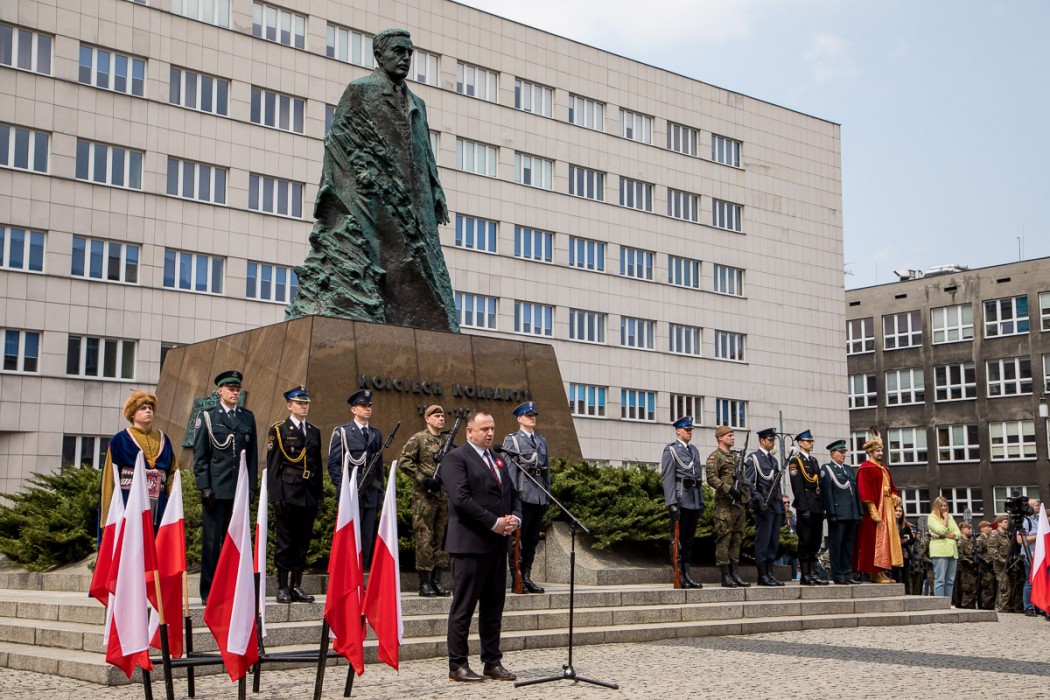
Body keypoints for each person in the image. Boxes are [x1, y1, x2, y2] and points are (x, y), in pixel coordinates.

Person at [286, 28, 457, 331]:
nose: (406, 58)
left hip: (417, 196)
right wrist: (355, 181)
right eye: (398, 51)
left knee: (427, 262)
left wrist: (436, 188)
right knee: (386, 259)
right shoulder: (360, 91)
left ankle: (428, 325)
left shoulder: (417, 102)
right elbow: (338, 141)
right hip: (376, 193)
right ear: (379, 55)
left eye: (409, 53)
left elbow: (425, 150)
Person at [441, 411, 521, 683]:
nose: (489, 433)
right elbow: (461, 499)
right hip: (469, 545)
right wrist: (493, 522)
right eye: (484, 429)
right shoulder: (456, 458)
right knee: (463, 608)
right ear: (469, 432)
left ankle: (492, 662)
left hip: (497, 546)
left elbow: (512, 494)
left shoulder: (498, 459)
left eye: (492, 428)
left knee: (493, 608)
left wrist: (515, 519)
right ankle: (458, 665)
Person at [193, 370, 258, 605]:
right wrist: (204, 487)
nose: (235, 393)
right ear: (220, 391)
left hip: (238, 490)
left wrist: (251, 487)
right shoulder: (208, 416)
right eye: (230, 389)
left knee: (235, 542)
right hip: (216, 490)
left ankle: (232, 588)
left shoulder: (247, 417)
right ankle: (209, 590)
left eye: (237, 389)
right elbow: (201, 456)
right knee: (211, 543)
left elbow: (252, 456)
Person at [266, 386, 323, 604]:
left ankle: (296, 586)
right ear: (289, 405)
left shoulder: (314, 431)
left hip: (308, 493)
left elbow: (317, 466)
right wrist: (275, 496)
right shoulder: (279, 430)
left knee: (302, 542)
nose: (304, 406)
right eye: (299, 403)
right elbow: (273, 466)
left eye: (306, 403)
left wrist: (319, 495)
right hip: (288, 492)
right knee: (285, 541)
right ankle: (282, 587)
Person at [100, 390, 179, 540]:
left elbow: (173, 472)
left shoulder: (164, 439)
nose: (148, 410)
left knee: (157, 544)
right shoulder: (119, 440)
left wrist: (174, 502)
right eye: (143, 408)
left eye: (150, 407)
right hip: (129, 501)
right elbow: (109, 479)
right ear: (132, 414)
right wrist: (107, 517)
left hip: (159, 503)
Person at [398, 404, 451, 598]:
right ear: (427, 419)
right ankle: (425, 581)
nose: (441, 418)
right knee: (424, 537)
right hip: (424, 497)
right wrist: (423, 478)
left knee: (441, 537)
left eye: (442, 415)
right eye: (436, 416)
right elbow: (404, 462)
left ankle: (437, 580)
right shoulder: (418, 439)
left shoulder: (447, 441)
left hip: (443, 496)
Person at [328, 389, 384, 569]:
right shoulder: (343, 432)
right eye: (363, 406)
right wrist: (343, 488)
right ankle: (348, 574)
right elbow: (334, 464)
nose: (367, 409)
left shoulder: (376, 434)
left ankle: (363, 573)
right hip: (351, 493)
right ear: (354, 409)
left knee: (366, 537)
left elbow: (379, 468)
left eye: (369, 406)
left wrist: (380, 493)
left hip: (370, 494)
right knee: (350, 537)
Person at [503, 402, 551, 594]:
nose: (532, 418)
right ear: (519, 418)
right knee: (518, 541)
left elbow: (546, 471)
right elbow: (509, 473)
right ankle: (517, 579)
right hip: (522, 497)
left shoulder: (541, 440)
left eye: (533, 415)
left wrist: (547, 494)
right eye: (528, 415)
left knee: (532, 540)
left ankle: (527, 576)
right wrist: (512, 500)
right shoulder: (512, 441)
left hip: (539, 496)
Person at [852, 429, 902, 583]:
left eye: (881, 450)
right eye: (878, 451)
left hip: (887, 510)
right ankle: (874, 572)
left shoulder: (884, 469)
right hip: (874, 511)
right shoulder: (865, 468)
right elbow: (864, 491)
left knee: (886, 541)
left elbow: (891, 487)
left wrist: (895, 497)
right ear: (870, 452)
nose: (881, 453)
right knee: (874, 542)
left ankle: (882, 571)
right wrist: (873, 511)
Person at [662, 416, 706, 588]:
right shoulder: (671, 450)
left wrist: (700, 501)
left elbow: (698, 478)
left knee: (689, 540)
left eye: (690, 430)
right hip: (681, 498)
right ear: (678, 431)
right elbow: (667, 478)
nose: (689, 432)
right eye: (686, 430)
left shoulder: (694, 450)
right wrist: (671, 503)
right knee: (677, 539)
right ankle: (679, 574)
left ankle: (687, 573)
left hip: (693, 499)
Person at [705, 425, 750, 588]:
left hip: (738, 505)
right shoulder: (715, 457)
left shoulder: (736, 458)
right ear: (720, 438)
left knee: (737, 538)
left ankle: (734, 572)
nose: (732, 438)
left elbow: (743, 480)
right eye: (729, 435)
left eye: (732, 435)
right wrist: (729, 489)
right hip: (724, 505)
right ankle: (725, 575)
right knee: (724, 539)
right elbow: (711, 478)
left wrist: (745, 498)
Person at [745, 427, 784, 586]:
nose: (772, 442)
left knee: (773, 541)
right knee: (763, 541)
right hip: (763, 506)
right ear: (762, 440)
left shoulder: (773, 461)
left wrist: (782, 508)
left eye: (773, 439)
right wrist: (759, 500)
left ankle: (770, 573)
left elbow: (777, 487)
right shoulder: (753, 458)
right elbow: (748, 482)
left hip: (775, 506)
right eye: (770, 439)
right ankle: (762, 575)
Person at [819, 438, 861, 585]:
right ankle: (838, 575)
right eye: (841, 452)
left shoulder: (848, 469)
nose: (844, 454)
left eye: (844, 452)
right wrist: (831, 513)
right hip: (838, 514)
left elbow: (855, 492)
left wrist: (859, 512)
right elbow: (827, 493)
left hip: (851, 513)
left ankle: (847, 573)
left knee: (848, 546)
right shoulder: (827, 469)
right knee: (836, 546)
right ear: (833, 454)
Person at [788, 430, 827, 585]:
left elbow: (819, 486)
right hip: (806, 505)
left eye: (812, 441)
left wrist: (822, 507)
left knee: (815, 541)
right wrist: (803, 508)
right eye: (808, 441)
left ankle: (813, 572)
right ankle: (805, 574)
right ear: (800, 443)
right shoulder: (795, 461)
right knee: (805, 540)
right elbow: (797, 487)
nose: (811, 444)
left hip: (816, 504)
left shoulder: (814, 461)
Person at [926, 496, 961, 599]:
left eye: (945, 506)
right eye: (941, 506)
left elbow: (958, 533)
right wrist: (945, 519)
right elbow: (941, 530)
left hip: (952, 552)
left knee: (950, 580)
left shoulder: (950, 517)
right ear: (936, 506)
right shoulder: (932, 517)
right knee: (940, 580)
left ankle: (948, 602)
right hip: (940, 552)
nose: (944, 508)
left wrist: (944, 535)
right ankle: (940, 603)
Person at [988, 515, 1016, 612]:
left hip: (1009, 565)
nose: (1007, 524)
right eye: (1005, 522)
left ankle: (1007, 608)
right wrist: (1003, 560)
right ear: (999, 523)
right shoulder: (995, 535)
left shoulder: (1006, 535)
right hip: (1000, 566)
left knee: (1009, 586)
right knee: (1004, 587)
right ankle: (1002, 608)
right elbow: (992, 550)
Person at [1020, 499, 1040, 616]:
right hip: (1029, 554)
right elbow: (1020, 539)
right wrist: (1039, 536)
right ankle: (1028, 607)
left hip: (1039, 555)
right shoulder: (1026, 521)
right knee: (1030, 581)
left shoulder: (1037, 520)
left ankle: (1039, 606)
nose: (1039, 506)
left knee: (1040, 580)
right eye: (1037, 505)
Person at [954, 521, 979, 608]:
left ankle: (971, 606)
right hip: (964, 569)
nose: (970, 530)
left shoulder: (970, 541)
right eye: (968, 528)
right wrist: (970, 562)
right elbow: (960, 556)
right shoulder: (960, 541)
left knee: (973, 590)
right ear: (962, 530)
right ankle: (965, 606)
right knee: (967, 589)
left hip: (972, 569)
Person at [976, 520, 998, 609]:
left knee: (993, 586)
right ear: (982, 529)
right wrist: (986, 562)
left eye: (990, 527)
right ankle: (985, 606)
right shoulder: (979, 540)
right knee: (987, 587)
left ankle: (991, 605)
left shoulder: (991, 539)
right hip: (985, 567)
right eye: (988, 527)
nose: (990, 529)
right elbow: (978, 554)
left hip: (993, 565)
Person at [893, 505, 914, 588]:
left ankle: (907, 593)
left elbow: (912, 540)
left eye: (900, 511)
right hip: (893, 554)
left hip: (904, 554)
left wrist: (905, 541)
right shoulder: (890, 525)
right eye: (896, 511)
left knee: (906, 578)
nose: (898, 513)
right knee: (896, 577)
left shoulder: (905, 526)